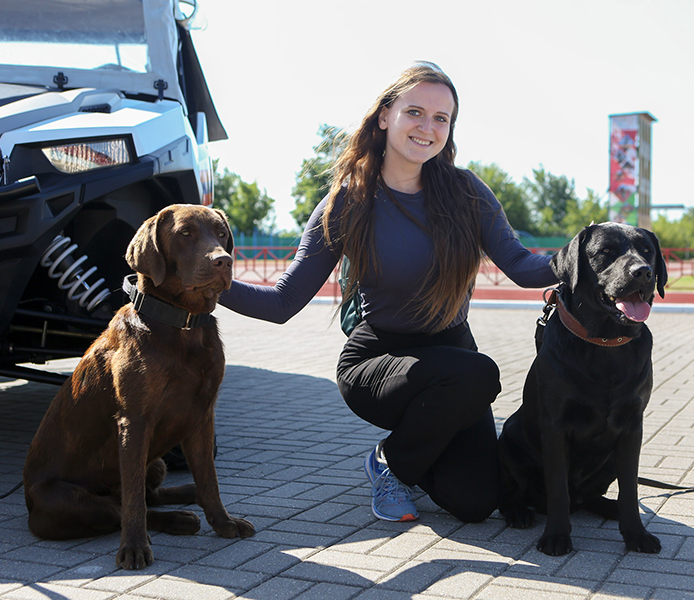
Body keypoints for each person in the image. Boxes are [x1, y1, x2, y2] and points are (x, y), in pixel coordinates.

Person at [219, 61, 557, 524]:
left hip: (451, 355)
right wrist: (204, 284)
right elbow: (281, 303)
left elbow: (521, 265)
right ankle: (391, 464)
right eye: (414, 112)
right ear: (384, 117)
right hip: (378, 360)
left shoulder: (467, 193)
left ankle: (415, 445)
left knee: (476, 503)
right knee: (479, 375)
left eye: (442, 118)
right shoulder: (347, 201)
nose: (428, 127)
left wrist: (582, 257)